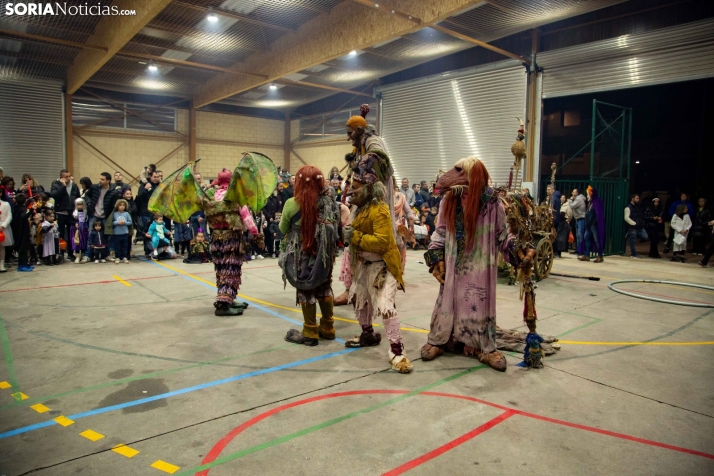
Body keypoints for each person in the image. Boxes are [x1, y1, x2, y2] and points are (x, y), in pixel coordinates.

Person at [420, 157, 511, 372]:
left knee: (479, 301)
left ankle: (485, 347)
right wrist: (435, 256)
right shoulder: (449, 201)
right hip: (453, 266)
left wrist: (517, 250)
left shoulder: (493, 203)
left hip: (481, 268)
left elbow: (502, 236)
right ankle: (440, 339)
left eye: (461, 171)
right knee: (447, 300)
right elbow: (440, 231)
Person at [281, 165, 338, 346]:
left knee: (306, 288)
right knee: (324, 287)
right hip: (324, 256)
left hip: (302, 254)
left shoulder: (292, 203)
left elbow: (283, 228)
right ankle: (328, 328)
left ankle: (310, 331)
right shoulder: (330, 204)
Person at [83, 172, 120, 263]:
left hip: (105, 217)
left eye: (102, 179)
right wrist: (88, 203)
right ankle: (87, 255)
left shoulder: (113, 192)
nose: (100, 181)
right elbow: (87, 195)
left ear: (108, 181)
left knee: (106, 236)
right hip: (94, 215)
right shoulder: (94, 187)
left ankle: (106, 255)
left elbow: (113, 206)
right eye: (100, 179)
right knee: (90, 236)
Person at [50, 169, 80, 263]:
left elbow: (78, 197)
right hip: (60, 213)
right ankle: (61, 253)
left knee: (71, 234)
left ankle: (71, 254)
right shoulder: (56, 185)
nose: (68, 178)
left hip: (71, 213)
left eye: (69, 176)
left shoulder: (74, 185)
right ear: (61, 177)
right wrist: (63, 187)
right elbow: (54, 196)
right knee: (61, 234)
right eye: (66, 177)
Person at [578, 186, 606, 262]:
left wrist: (594, 222)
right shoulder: (590, 203)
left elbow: (599, 215)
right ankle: (587, 255)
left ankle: (600, 256)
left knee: (597, 240)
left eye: (588, 194)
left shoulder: (597, 202)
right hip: (589, 225)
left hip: (594, 225)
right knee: (586, 238)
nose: (587, 196)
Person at [12, 194, 33, 272]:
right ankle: (21, 265)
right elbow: (23, 216)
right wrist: (31, 210)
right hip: (22, 232)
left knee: (24, 248)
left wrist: (29, 201)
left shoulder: (17, 207)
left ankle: (24, 263)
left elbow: (23, 206)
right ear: (24, 200)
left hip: (20, 231)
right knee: (23, 249)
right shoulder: (21, 209)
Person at [624, 193, 647, 258]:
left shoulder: (637, 206)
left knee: (645, 236)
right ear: (632, 199)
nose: (638, 200)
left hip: (639, 226)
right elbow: (626, 217)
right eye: (637, 198)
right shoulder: (628, 207)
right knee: (633, 241)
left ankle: (629, 235)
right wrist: (634, 223)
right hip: (633, 227)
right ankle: (633, 253)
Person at [111, 199, 132, 264]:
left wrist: (124, 222)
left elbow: (130, 222)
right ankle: (117, 257)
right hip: (117, 233)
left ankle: (124, 257)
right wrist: (117, 222)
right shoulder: (114, 214)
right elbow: (112, 222)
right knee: (117, 246)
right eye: (120, 205)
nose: (122, 207)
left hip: (124, 233)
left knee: (124, 245)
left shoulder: (126, 213)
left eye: (123, 205)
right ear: (117, 206)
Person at [70, 198, 89, 263]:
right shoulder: (74, 213)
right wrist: (74, 223)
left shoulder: (86, 213)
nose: (80, 206)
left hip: (84, 229)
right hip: (76, 229)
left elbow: (87, 220)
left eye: (81, 205)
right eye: (78, 205)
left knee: (84, 242)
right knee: (77, 241)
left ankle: (83, 255)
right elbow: (70, 220)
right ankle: (77, 256)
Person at [569, 188, 586, 254]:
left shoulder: (578, 199)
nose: (572, 193)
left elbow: (572, 206)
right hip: (578, 218)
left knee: (580, 235)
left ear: (577, 193)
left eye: (573, 192)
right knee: (578, 235)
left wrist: (570, 200)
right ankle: (578, 249)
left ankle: (580, 250)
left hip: (581, 219)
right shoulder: (579, 198)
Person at [0, 192, 14, 272]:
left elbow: (9, 216)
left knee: (1, 247)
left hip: (3, 227)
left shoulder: (6, 204)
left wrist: (3, 225)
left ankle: (1, 264)